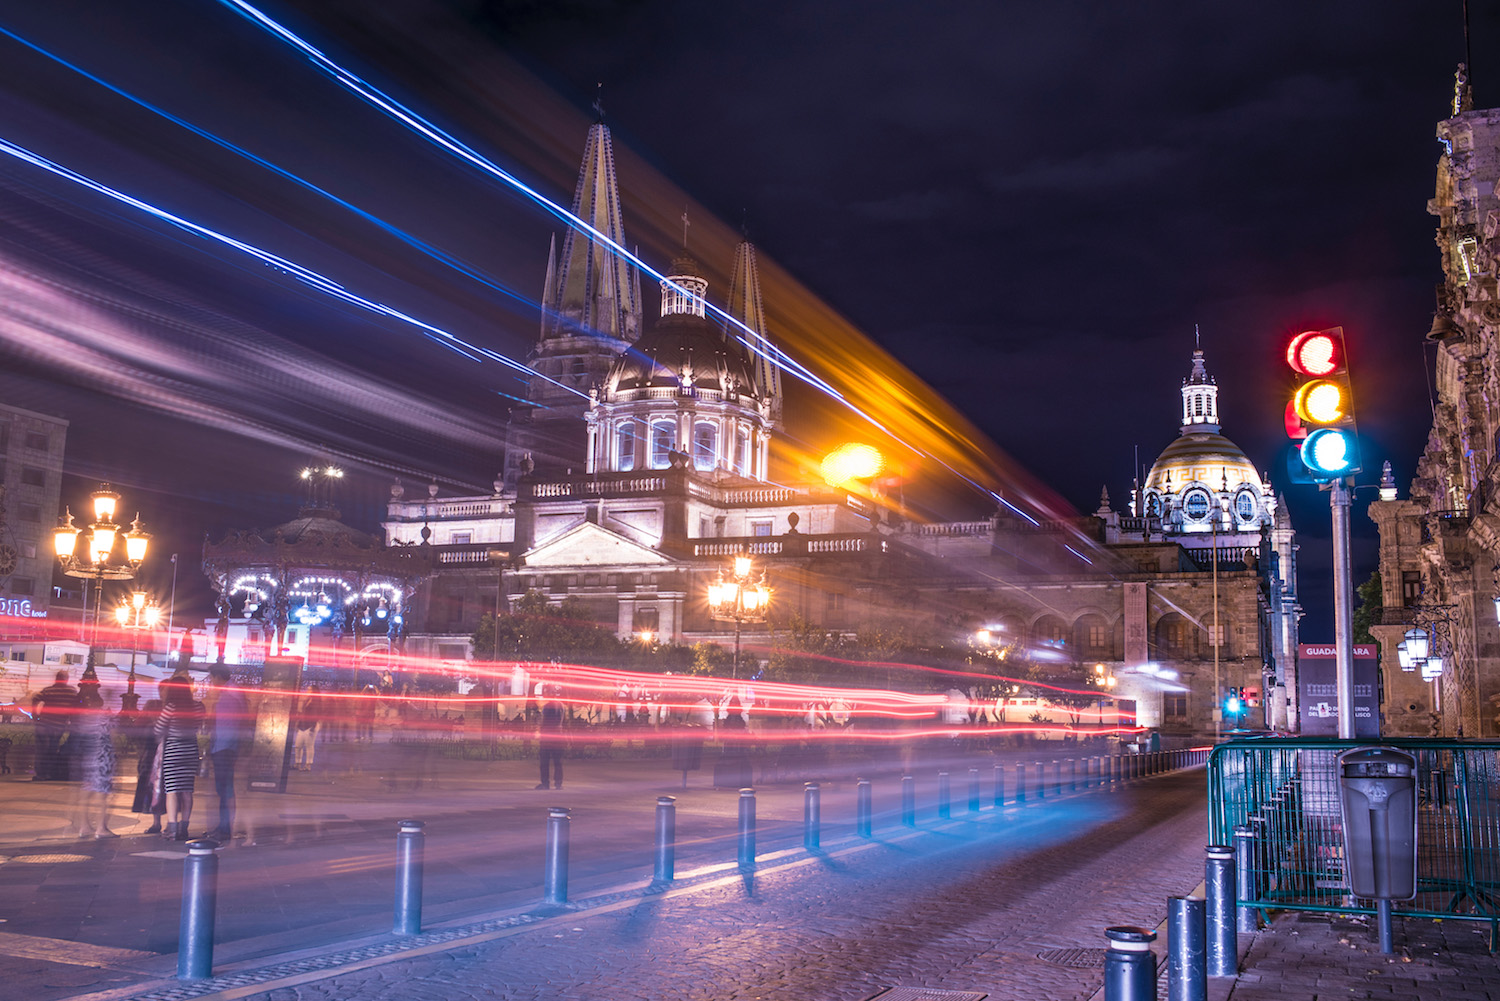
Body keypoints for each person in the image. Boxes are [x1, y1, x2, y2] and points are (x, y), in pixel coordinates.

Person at [154, 676, 206, 841]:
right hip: (190, 751)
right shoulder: (199, 707)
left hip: (173, 752)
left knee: (172, 790)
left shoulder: (171, 707)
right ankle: (184, 828)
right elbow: (199, 726)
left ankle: (173, 829)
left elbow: (158, 730)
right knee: (187, 791)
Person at [205, 669, 251, 841]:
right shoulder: (232, 693)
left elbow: (229, 724)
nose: (211, 681)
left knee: (225, 789)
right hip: (226, 746)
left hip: (224, 748)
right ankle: (224, 826)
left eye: (212, 677)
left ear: (218, 677)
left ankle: (225, 828)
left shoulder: (229, 696)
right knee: (224, 789)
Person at [70, 675, 117, 838]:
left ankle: (84, 827)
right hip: (102, 757)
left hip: (88, 757)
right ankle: (101, 828)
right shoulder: (104, 716)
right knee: (102, 794)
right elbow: (114, 732)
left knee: (86, 791)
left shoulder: (83, 716)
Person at [129, 696, 166, 834]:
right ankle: (166, 822)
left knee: (154, 791)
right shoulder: (160, 724)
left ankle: (157, 823)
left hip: (151, 762)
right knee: (161, 791)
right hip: (159, 760)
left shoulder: (149, 726)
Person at [31, 670, 77, 781]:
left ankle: (40, 774)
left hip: (44, 724)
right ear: (67, 679)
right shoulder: (72, 691)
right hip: (59, 726)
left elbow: (35, 699)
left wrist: (34, 714)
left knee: (42, 749)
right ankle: (49, 773)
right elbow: (75, 706)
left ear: (56, 678)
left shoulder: (48, 690)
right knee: (52, 749)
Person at [536, 697, 564, 790]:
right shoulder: (562, 706)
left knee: (544, 762)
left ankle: (545, 783)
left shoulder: (547, 706)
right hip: (558, 736)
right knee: (558, 762)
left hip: (547, 737)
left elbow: (544, 721)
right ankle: (558, 783)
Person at [294, 684, 322, 771]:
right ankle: (297, 763)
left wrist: (313, 726)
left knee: (309, 746)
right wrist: (298, 723)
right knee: (298, 745)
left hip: (311, 725)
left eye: (309, 689)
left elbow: (316, 714)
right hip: (303, 725)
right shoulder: (307, 700)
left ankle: (308, 765)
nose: (307, 691)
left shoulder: (316, 701)